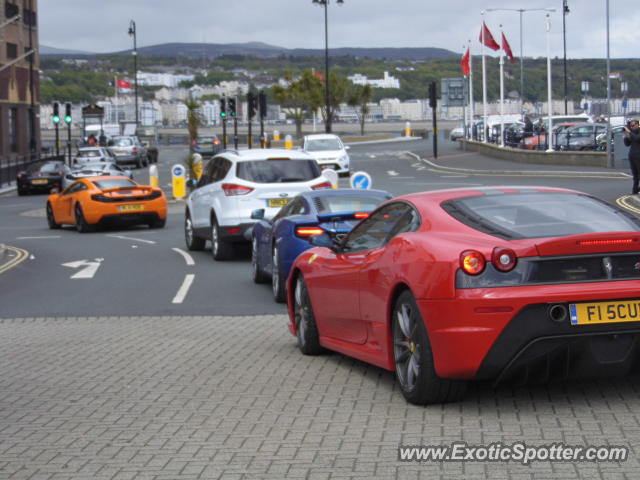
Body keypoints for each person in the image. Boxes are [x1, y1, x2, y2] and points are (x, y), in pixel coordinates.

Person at [623, 119, 640, 194]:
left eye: (633, 125)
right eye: (630, 126)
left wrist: (629, 132)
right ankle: (634, 190)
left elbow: (637, 139)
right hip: (632, 155)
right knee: (635, 175)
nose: (631, 127)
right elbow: (627, 144)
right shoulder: (632, 132)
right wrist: (626, 135)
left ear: (637, 125)